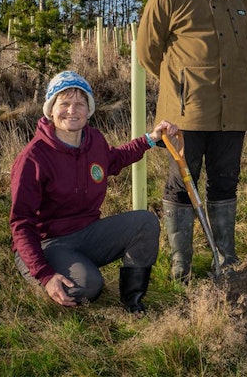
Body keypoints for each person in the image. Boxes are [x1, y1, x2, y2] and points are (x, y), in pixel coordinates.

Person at [136, 0, 247, 282]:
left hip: (232, 112)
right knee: (181, 185)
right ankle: (180, 265)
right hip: (185, 115)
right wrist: (183, 85)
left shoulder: (244, 2)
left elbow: (246, 50)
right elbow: (148, 53)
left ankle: (226, 260)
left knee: (225, 183)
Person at [10, 71, 178, 312]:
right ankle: (37, 272)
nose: (72, 110)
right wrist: (45, 275)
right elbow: (21, 223)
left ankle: (132, 303)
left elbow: (115, 159)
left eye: (80, 103)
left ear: (89, 109)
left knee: (145, 221)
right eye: (64, 103)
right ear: (50, 108)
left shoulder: (94, 141)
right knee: (88, 286)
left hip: (88, 232)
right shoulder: (33, 158)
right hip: (49, 242)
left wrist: (150, 139)